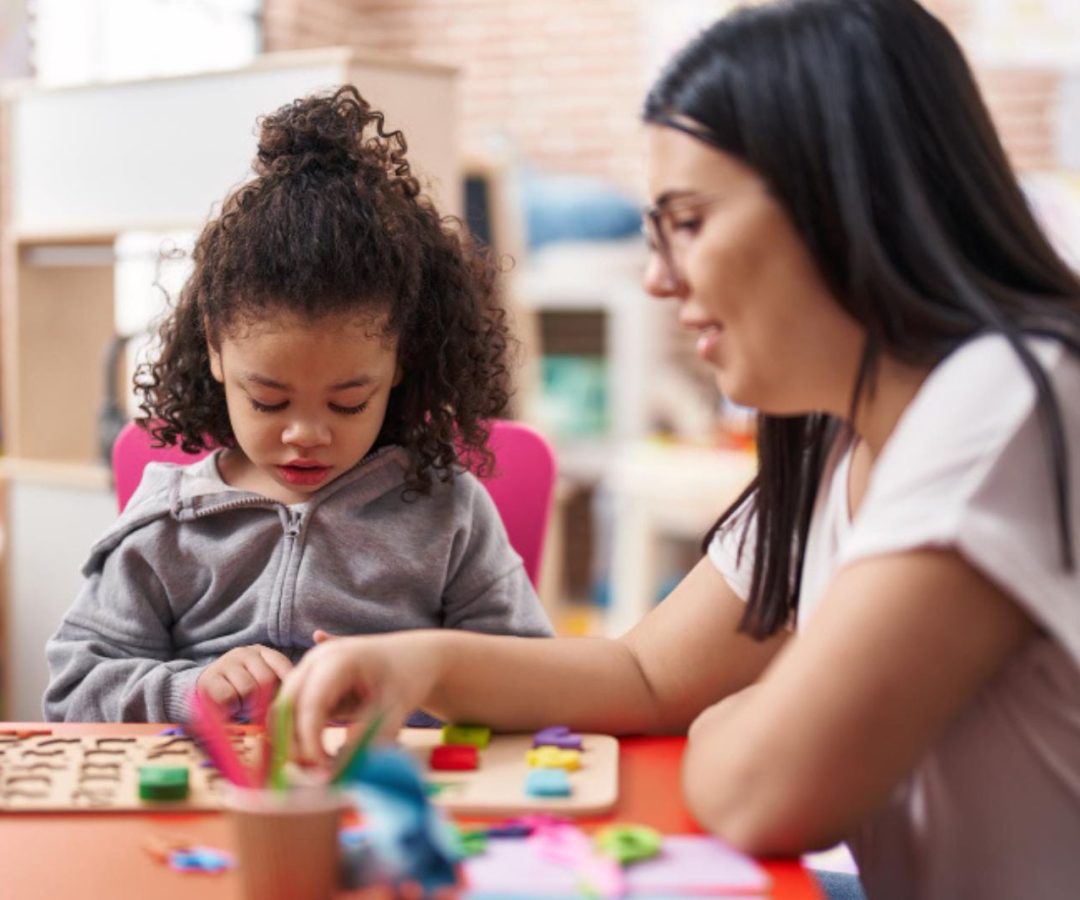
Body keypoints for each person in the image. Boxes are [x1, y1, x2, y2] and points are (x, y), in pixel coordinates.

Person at [275, 3, 1080, 898]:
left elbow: (766, 793)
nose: (658, 277)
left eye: (688, 222)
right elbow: (647, 672)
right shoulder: (836, 437)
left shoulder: (1010, 400)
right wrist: (415, 660)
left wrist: (733, 720)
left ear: (840, 200)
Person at [44, 86, 553, 725]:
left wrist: (416, 685)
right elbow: (74, 689)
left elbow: (532, 675)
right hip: (214, 809)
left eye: (348, 403)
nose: (306, 434)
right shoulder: (170, 526)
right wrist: (191, 691)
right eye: (268, 400)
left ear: (397, 366)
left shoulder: (446, 512)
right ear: (216, 352)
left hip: (390, 802)